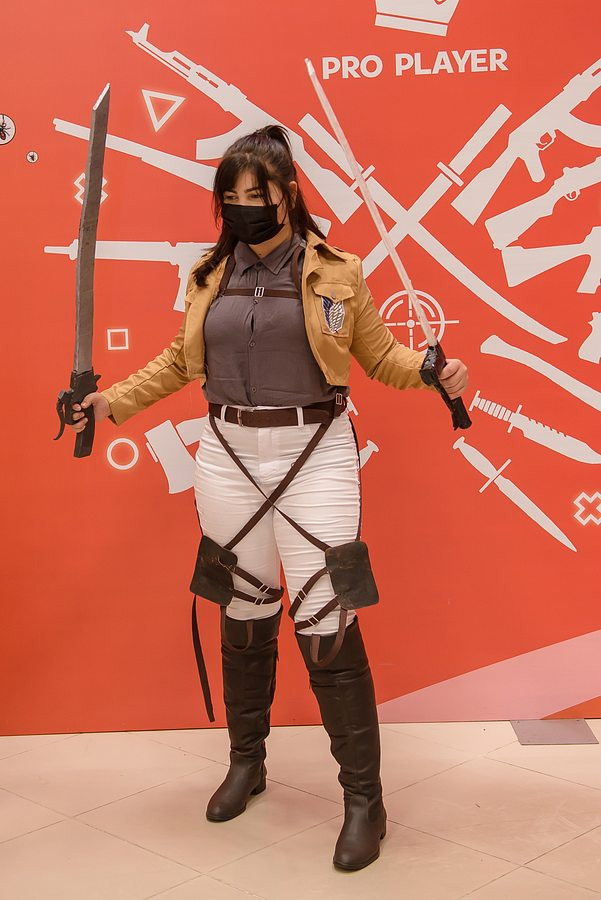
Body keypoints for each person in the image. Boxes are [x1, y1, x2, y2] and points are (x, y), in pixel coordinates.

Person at [69, 124, 468, 871]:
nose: (241, 208)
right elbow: (179, 361)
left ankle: (364, 801)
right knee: (245, 612)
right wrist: (110, 403)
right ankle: (246, 764)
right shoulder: (208, 275)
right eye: (229, 197)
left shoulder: (338, 271)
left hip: (314, 453)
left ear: (287, 194)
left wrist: (430, 371)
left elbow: (379, 357)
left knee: (326, 620)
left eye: (254, 194)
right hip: (226, 455)